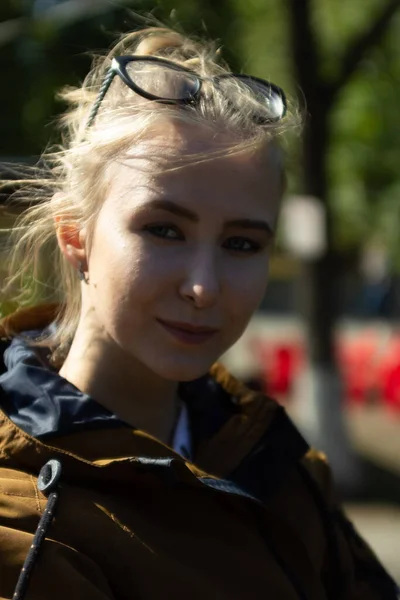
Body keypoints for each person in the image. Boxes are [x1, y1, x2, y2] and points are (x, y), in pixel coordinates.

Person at [0, 26, 397, 600]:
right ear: (75, 236)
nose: (204, 287)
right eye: (163, 230)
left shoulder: (280, 466)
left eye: (241, 244)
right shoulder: (25, 521)